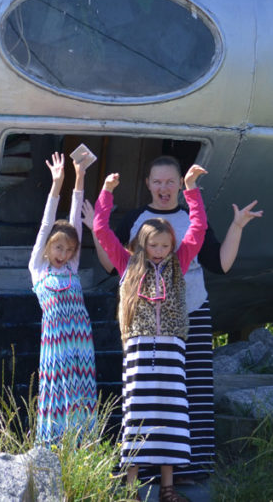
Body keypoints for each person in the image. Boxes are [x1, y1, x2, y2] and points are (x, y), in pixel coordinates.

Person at [87, 155, 262, 478]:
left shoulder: (182, 244)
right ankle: (141, 475)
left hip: (186, 320)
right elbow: (108, 248)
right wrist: (105, 197)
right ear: (148, 184)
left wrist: (204, 200)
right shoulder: (135, 228)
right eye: (157, 181)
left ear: (178, 185)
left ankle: (187, 472)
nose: (163, 187)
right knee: (141, 401)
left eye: (170, 181)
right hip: (142, 333)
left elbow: (208, 246)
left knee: (185, 396)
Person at [93, 163, 207, 502]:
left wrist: (191, 189)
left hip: (172, 350)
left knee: (170, 416)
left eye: (164, 246)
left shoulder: (178, 264)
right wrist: (106, 193)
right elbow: (100, 230)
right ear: (141, 245)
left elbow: (198, 228)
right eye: (153, 246)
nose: (159, 252)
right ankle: (132, 489)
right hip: (140, 350)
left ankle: (167, 489)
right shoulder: (127, 264)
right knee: (137, 416)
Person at [29, 149, 97, 443]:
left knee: (82, 392)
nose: (64, 254)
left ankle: (83, 445)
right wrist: (57, 184)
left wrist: (80, 177)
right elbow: (47, 223)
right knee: (56, 392)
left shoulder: (72, 266)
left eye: (69, 250)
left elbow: (75, 221)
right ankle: (52, 444)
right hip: (56, 344)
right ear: (47, 247)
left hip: (80, 341)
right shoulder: (38, 267)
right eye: (59, 247)